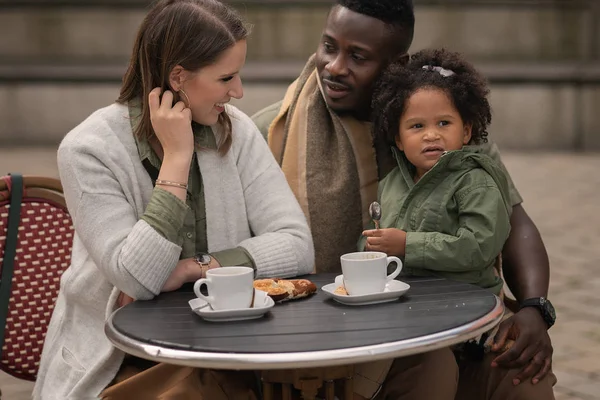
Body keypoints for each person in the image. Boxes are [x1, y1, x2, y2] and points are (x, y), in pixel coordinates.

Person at [252, 0, 556, 399]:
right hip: (332, 341)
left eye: (357, 56)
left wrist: (534, 307)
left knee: (523, 383)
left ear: (397, 62)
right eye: (329, 46)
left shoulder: (445, 130)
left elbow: (513, 221)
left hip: (457, 318)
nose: (335, 66)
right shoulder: (272, 133)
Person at [33, 0, 314, 398]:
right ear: (179, 76)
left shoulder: (237, 132)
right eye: (226, 77)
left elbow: (298, 246)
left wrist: (194, 268)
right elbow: (136, 278)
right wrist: (177, 159)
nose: (238, 92)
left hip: (226, 348)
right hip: (120, 359)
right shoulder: (87, 149)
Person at [360, 48, 511, 296]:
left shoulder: (475, 182)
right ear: (398, 139)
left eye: (444, 123)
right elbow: (374, 231)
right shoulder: (391, 183)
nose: (431, 134)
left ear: (466, 131)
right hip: (408, 298)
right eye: (417, 126)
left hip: (469, 299)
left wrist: (407, 245)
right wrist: (370, 247)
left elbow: (480, 247)